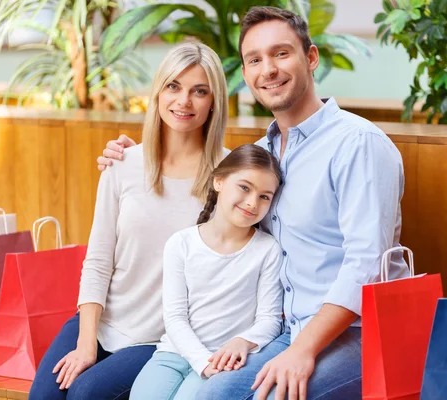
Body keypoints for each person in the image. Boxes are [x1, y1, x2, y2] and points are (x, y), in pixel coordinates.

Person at [98, 6, 408, 400]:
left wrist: (303, 349)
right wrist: (130, 156)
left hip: (359, 333)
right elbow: (208, 195)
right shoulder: (261, 157)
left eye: (281, 53)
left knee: (216, 397)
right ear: (245, 75)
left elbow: (366, 265)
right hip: (285, 331)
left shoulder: (357, 144)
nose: (269, 69)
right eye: (255, 60)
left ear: (310, 58)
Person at [29, 41, 228, 400]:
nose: (184, 101)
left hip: (162, 338)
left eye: (200, 91)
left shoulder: (229, 176)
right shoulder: (122, 163)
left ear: (213, 101)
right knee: (44, 396)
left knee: (85, 395)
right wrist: (86, 343)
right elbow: (98, 260)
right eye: (173, 86)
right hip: (102, 322)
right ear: (157, 92)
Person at [129, 144, 285, 399]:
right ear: (219, 182)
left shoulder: (268, 250)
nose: (251, 202)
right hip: (174, 354)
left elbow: (269, 320)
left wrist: (243, 342)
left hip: (226, 358)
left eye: (264, 196)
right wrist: (202, 361)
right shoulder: (181, 244)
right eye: (244, 187)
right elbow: (175, 317)